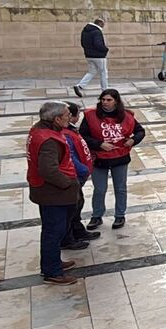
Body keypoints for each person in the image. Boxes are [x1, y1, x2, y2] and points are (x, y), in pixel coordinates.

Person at [27, 102, 80, 285]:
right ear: (56, 119)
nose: (70, 117)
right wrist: (67, 183)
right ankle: (52, 272)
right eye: (67, 115)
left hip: (49, 191)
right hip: (53, 193)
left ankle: (53, 262)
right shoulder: (48, 140)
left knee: (54, 229)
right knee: (54, 231)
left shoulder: (39, 129)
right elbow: (48, 170)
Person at [81, 89, 144, 230]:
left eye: (108, 100)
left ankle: (120, 215)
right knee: (99, 189)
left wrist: (133, 140)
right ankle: (97, 216)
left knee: (120, 188)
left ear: (116, 101)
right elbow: (83, 135)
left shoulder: (127, 115)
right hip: (99, 158)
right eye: (103, 99)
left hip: (120, 158)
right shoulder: (90, 116)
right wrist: (99, 144)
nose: (105, 102)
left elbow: (140, 131)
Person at [60, 103, 100, 247]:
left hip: (78, 175)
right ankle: (68, 239)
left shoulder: (70, 130)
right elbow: (69, 156)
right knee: (72, 208)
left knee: (77, 204)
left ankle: (77, 231)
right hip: (73, 176)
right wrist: (84, 170)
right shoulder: (64, 134)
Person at [72, 18, 109, 98]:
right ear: (99, 23)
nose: (103, 26)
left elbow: (82, 43)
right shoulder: (97, 32)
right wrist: (105, 49)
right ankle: (105, 91)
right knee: (103, 72)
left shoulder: (85, 31)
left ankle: (79, 86)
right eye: (103, 25)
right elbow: (98, 44)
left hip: (89, 55)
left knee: (91, 72)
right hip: (99, 56)